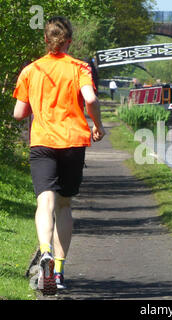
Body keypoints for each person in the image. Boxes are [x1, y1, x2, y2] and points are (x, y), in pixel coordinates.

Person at [13, 16, 105, 295]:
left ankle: (44, 253)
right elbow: (89, 98)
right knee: (64, 205)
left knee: (45, 202)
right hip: (73, 143)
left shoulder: (31, 70)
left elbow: (18, 113)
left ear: (45, 39)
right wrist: (98, 126)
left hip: (42, 143)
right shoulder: (80, 67)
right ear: (70, 41)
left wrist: (36, 108)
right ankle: (60, 271)